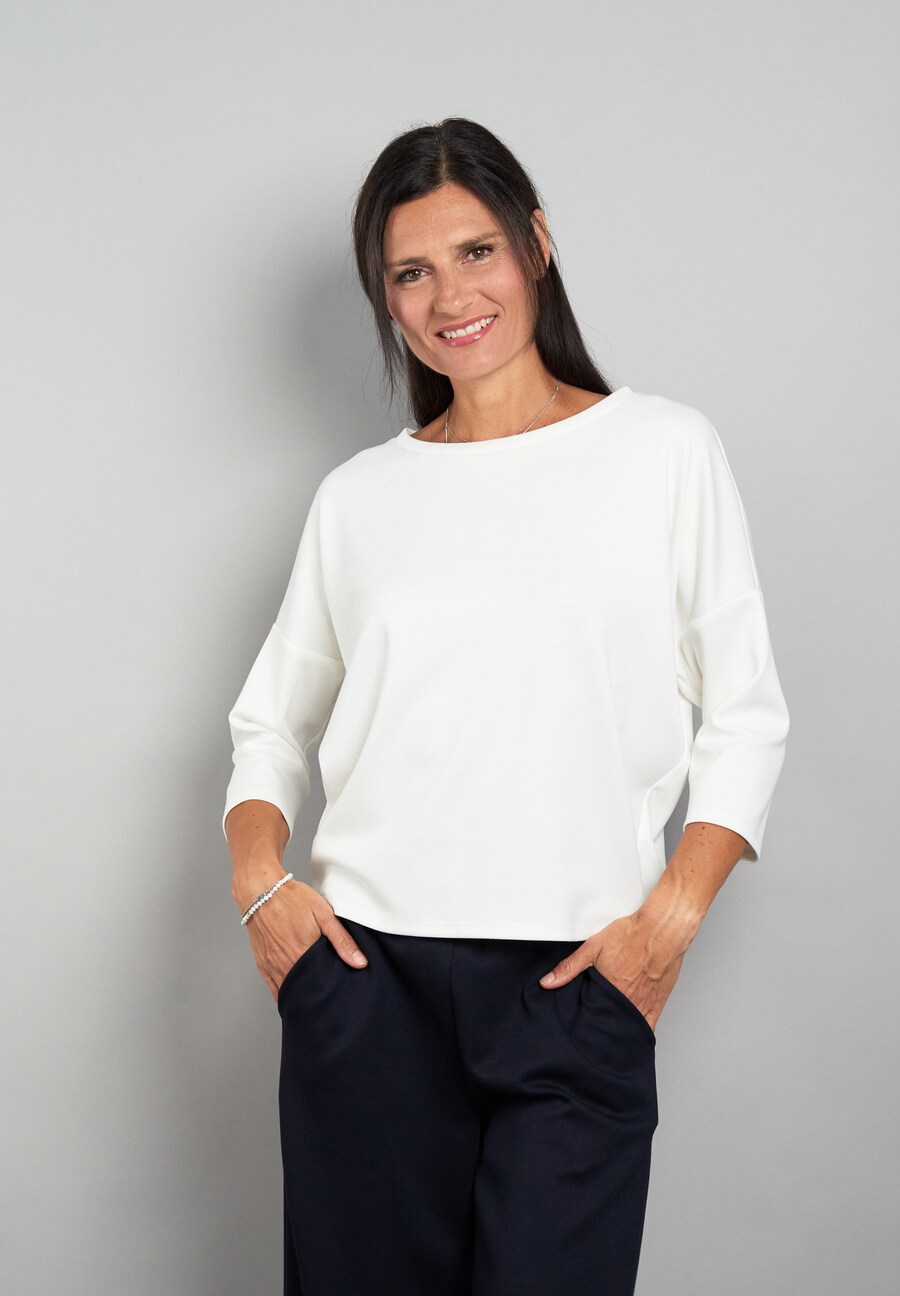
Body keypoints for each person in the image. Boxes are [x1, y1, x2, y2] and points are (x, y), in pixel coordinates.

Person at [222, 117, 790, 1296]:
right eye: (411, 272)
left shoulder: (663, 452)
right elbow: (269, 724)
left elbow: (746, 713)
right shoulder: (359, 499)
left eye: (476, 252)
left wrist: (671, 919)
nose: (450, 298)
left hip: (577, 981)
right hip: (368, 987)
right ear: (385, 298)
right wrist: (261, 886)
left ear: (536, 245)